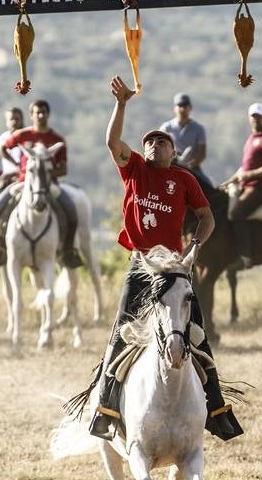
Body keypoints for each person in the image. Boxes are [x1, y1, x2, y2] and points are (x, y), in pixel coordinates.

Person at [86, 76, 242, 442]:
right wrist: (122, 104)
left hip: (173, 268)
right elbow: (111, 142)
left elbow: (208, 218)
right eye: (151, 140)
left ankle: (216, 410)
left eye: (163, 141)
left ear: (173, 152)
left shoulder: (184, 180)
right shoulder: (135, 170)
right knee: (120, 334)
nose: (155, 144)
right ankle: (107, 411)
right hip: (142, 265)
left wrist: (195, 249)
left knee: (197, 335)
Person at [0, 99, 81, 268]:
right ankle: (1, 247)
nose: (40, 115)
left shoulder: (57, 139)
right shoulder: (22, 135)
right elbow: (2, 149)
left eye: (43, 112)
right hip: (23, 183)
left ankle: (68, 251)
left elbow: (63, 169)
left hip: (49, 186)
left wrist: (44, 174)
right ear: (31, 115)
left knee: (71, 211)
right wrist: (16, 167)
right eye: (37, 112)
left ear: (48, 114)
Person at [221, 102, 262, 269]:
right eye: (253, 116)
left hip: (261, 187)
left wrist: (248, 176)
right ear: (249, 118)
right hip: (247, 185)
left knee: (236, 212)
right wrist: (230, 181)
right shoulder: (251, 139)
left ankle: (245, 257)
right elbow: (245, 167)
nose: (256, 119)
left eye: (259, 116)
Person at [160, 92, 213, 186]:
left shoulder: (198, 128)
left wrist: (190, 165)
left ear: (190, 108)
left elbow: (202, 153)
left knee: (207, 185)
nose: (182, 109)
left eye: (185, 105)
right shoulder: (166, 128)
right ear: (174, 108)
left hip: (192, 167)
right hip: (170, 165)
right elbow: (160, 148)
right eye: (179, 105)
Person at [0, 107, 25, 185]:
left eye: (17, 119)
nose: (14, 121)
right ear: (6, 122)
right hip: (6, 180)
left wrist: (16, 172)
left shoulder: (27, 137)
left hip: (23, 179)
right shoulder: (3, 138)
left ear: (22, 120)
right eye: (11, 119)